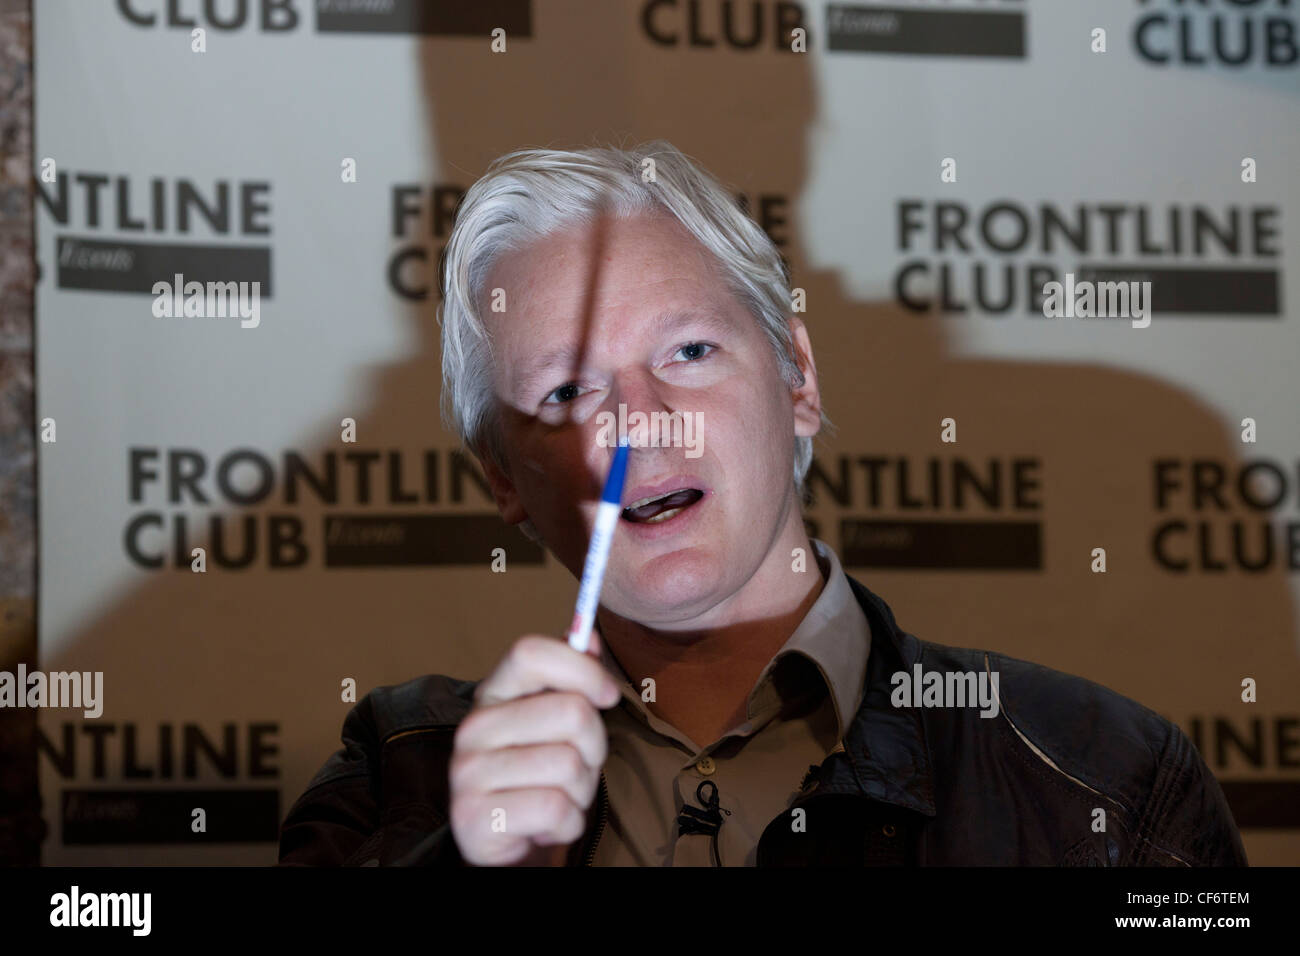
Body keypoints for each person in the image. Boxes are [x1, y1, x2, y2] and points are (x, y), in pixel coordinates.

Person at [277, 141, 1247, 867]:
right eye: (567, 393)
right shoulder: (394, 777)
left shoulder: (1107, 780)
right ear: (501, 477)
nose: (641, 424)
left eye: (688, 352)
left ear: (798, 379)